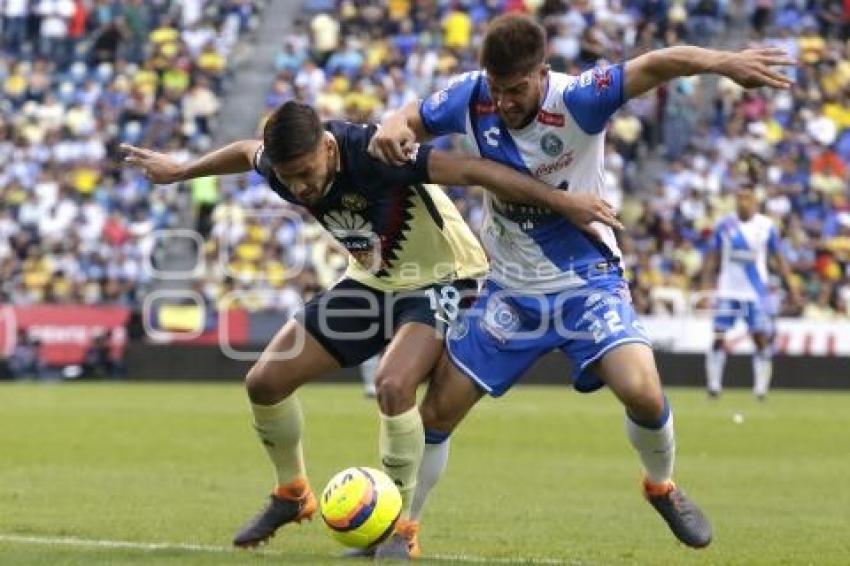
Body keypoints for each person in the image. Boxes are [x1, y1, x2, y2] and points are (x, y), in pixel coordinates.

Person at [369, 13, 794, 556]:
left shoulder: (579, 99)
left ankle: (660, 485)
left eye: (516, 89)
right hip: (510, 290)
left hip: (586, 283)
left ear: (542, 73)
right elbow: (412, 117)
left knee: (642, 391)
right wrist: (393, 123)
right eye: (497, 89)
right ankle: (406, 528)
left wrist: (723, 63)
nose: (503, 102)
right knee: (436, 413)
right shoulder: (471, 96)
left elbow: (657, 63)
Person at [122, 100, 620, 551]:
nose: (298, 187)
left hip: (448, 276)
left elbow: (471, 169)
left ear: (328, 146)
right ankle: (291, 493)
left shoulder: (378, 153)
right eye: (288, 177)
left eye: (305, 173)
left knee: (393, 384)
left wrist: (563, 202)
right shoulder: (281, 165)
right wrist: (182, 170)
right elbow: (244, 152)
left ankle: (399, 528)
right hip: (375, 281)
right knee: (264, 381)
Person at [701, 185, 799, 400]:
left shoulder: (766, 226)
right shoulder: (724, 225)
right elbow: (712, 256)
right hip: (728, 290)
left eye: (747, 198)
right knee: (718, 336)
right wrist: (705, 287)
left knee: (760, 337)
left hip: (756, 292)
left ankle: (761, 388)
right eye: (739, 198)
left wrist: (791, 287)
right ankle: (714, 385)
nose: (742, 202)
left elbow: (778, 258)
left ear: (755, 202)